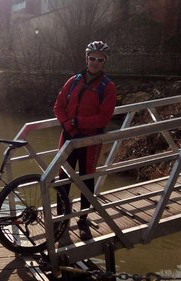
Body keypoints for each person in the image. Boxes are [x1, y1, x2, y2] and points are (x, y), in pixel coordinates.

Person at [53, 41, 117, 240]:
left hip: (90, 141)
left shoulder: (108, 87)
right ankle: (62, 220)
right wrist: (69, 125)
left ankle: (82, 220)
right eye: (92, 58)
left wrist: (79, 121)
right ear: (86, 58)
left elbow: (104, 118)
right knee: (62, 178)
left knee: (86, 180)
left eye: (100, 60)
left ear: (104, 62)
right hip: (68, 137)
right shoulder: (73, 81)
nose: (95, 63)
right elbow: (58, 107)